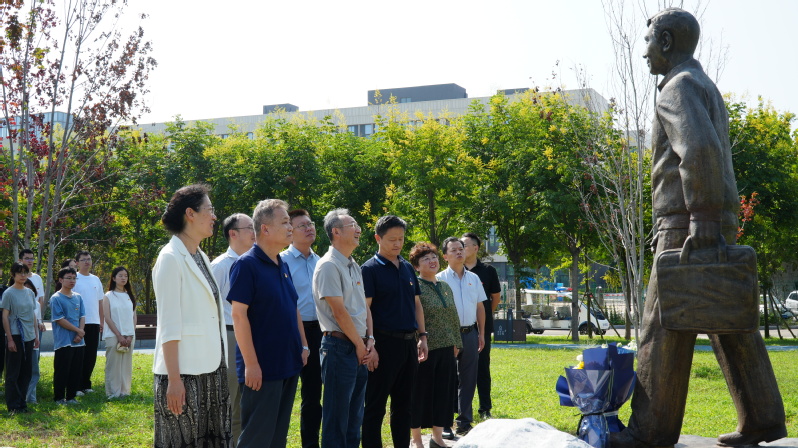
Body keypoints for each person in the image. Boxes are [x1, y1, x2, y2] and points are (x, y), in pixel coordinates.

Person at [611, 9, 786, 448]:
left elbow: (700, 147)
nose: (644, 52)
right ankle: (763, 418)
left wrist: (702, 216)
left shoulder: (678, 86)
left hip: (687, 224)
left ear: (667, 42)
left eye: (648, 41)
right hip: (709, 220)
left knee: (661, 328)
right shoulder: (702, 83)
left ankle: (649, 432)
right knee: (729, 318)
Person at [152, 184, 231, 447]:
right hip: (185, 374)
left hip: (211, 370)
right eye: (210, 209)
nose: (214, 216)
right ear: (190, 213)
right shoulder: (170, 258)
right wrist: (174, 381)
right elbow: (169, 324)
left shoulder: (201, 256)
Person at [227, 199, 308, 448]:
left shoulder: (282, 264)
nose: (290, 227)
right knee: (257, 439)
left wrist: (303, 345)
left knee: (277, 438)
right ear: (265, 228)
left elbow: (292, 306)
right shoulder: (246, 265)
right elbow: (238, 316)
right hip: (262, 370)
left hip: (288, 364)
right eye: (284, 222)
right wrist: (251, 365)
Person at [361, 215, 428, 448]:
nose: (397, 244)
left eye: (401, 238)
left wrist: (423, 336)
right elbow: (365, 309)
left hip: (409, 344)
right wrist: (370, 344)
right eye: (392, 239)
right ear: (378, 238)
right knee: (375, 406)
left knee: (404, 406)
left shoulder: (407, 267)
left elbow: (416, 304)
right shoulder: (369, 269)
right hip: (383, 344)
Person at [312, 208, 375, 448]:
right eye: (352, 225)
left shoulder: (353, 264)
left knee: (354, 419)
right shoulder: (328, 265)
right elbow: (339, 311)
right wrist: (360, 345)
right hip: (339, 347)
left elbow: (364, 306)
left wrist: (370, 340)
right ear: (336, 232)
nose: (359, 229)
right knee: (337, 419)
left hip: (359, 347)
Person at [408, 243, 462, 448]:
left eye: (434, 257)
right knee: (419, 394)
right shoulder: (415, 286)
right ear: (416, 266)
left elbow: (453, 316)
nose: (432, 261)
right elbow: (413, 316)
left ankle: (437, 438)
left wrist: (457, 342)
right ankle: (416, 439)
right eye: (425, 259)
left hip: (447, 347)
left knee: (443, 393)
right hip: (425, 349)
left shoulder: (445, 286)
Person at [211, 212, 256, 446]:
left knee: (247, 400)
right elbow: (209, 308)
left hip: (251, 336)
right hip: (228, 336)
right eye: (250, 228)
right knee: (229, 398)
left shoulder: (254, 263)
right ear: (233, 234)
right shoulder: (219, 266)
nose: (255, 232)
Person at [280, 209, 322, 448]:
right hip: (291, 331)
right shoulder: (281, 260)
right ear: (290, 231)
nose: (309, 228)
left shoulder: (321, 261)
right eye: (302, 225)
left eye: (310, 224)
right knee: (283, 393)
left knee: (313, 394)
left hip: (319, 332)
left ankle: (310, 444)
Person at [436, 237, 486, 436]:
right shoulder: (439, 279)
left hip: (470, 333)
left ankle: (464, 422)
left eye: (461, 249)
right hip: (448, 335)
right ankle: (444, 423)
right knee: (447, 379)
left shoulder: (474, 278)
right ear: (445, 256)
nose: (459, 252)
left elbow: (480, 307)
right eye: (454, 250)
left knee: (469, 379)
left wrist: (481, 333)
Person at [461, 232, 501, 420]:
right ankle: (459, 409)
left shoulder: (488, 270)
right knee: (458, 369)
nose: (461, 249)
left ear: (475, 248)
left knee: (482, 367)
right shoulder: (455, 269)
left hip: (481, 327)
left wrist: (482, 316)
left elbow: (495, 298)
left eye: (464, 245)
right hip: (460, 326)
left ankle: (485, 408)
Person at [2, 262, 40, 414]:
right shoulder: (9, 293)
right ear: (13, 274)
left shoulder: (29, 292)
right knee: (13, 372)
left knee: (26, 372)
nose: (23, 275)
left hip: (29, 336)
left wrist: (36, 335)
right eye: (19, 273)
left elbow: (32, 315)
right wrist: (10, 339)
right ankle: (13, 406)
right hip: (16, 335)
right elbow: (5, 317)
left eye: (25, 272)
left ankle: (22, 404)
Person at [50, 266, 86, 405]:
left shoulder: (78, 297)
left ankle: (71, 397)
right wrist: (78, 331)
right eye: (69, 278)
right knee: (62, 370)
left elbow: (82, 316)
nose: (72, 281)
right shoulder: (56, 298)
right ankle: (59, 397)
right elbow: (59, 319)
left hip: (78, 341)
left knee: (76, 370)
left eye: (74, 278)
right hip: (64, 341)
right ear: (61, 280)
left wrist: (80, 333)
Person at [73, 250, 105, 395]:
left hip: (94, 322)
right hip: (79, 323)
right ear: (77, 263)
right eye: (83, 259)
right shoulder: (75, 279)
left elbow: (100, 302)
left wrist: (101, 321)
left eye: (89, 259)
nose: (87, 262)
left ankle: (86, 384)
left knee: (91, 355)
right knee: (79, 355)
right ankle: (76, 386)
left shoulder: (95, 279)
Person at [102, 266, 137, 398]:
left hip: (129, 336)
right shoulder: (108, 296)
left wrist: (130, 335)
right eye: (120, 276)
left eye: (126, 276)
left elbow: (133, 317)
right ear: (114, 278)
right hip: (113, 335)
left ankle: (124, 391)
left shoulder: (130, 296)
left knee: (126, 365)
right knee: (113, 365)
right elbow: (107, 317)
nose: (123, 278)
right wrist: (119, 335)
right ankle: (113, 392)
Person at [18, 249, 45, 404]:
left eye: (32, 258)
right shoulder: (13, 288)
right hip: (18, 333)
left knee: (34, 365)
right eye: (27, 258)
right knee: (19, 366)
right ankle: (18, 395)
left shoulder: (37, 278)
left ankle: (31, 397)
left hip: (35, 331)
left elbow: (39, 301)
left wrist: (40, 321)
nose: (30, 261)